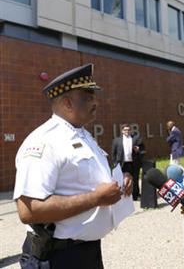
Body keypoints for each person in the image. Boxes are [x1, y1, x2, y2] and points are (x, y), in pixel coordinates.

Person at [13, 64, 133, 269]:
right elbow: (28, 211)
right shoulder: (44, 142)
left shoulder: (84, 136)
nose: (96, 102)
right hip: (57, 257)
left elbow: (84, 181)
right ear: (67, 102)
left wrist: (120, 184)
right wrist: (96, 199)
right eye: (88, 97)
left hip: (86, 252)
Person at [112, 124, 145, 200]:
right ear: (122, 131)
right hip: (123, 163)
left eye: (128, 130)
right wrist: (115, 162)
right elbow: (113, 152)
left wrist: (138, 149)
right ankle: (124, 194)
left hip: (133, 162)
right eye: (125, 130)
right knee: (122, 179)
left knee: (135, 179)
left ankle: (135, 195)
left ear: (130, 131)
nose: (127, 131)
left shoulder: (135, 139)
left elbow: (142, 147)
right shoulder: (117, 140)